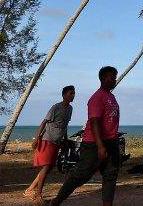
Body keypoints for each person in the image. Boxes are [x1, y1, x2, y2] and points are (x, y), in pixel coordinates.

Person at [51, 67, 121, 206]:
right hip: (94, 144)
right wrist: (100, 146)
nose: (114, 80)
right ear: (103, 79)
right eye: (111, 78)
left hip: (110, 142)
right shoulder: (97, 98)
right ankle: (57, 201)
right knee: (81, 175)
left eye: (115, 77)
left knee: (110, 175)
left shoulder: (111, 96)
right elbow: (94, 122)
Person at [25, 85, 75, 203]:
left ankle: (29, 189)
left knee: (49, 167)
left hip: (57, 141)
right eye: (70, 93)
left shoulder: (70, 109)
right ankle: (38, 195)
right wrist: (36, 139)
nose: (73, 95)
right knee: (46, 167)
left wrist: (66, 140)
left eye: (73, 93)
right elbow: (44, 122)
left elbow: (64, 125)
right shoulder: (55, 107)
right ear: (64, 95)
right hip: (47, 139)